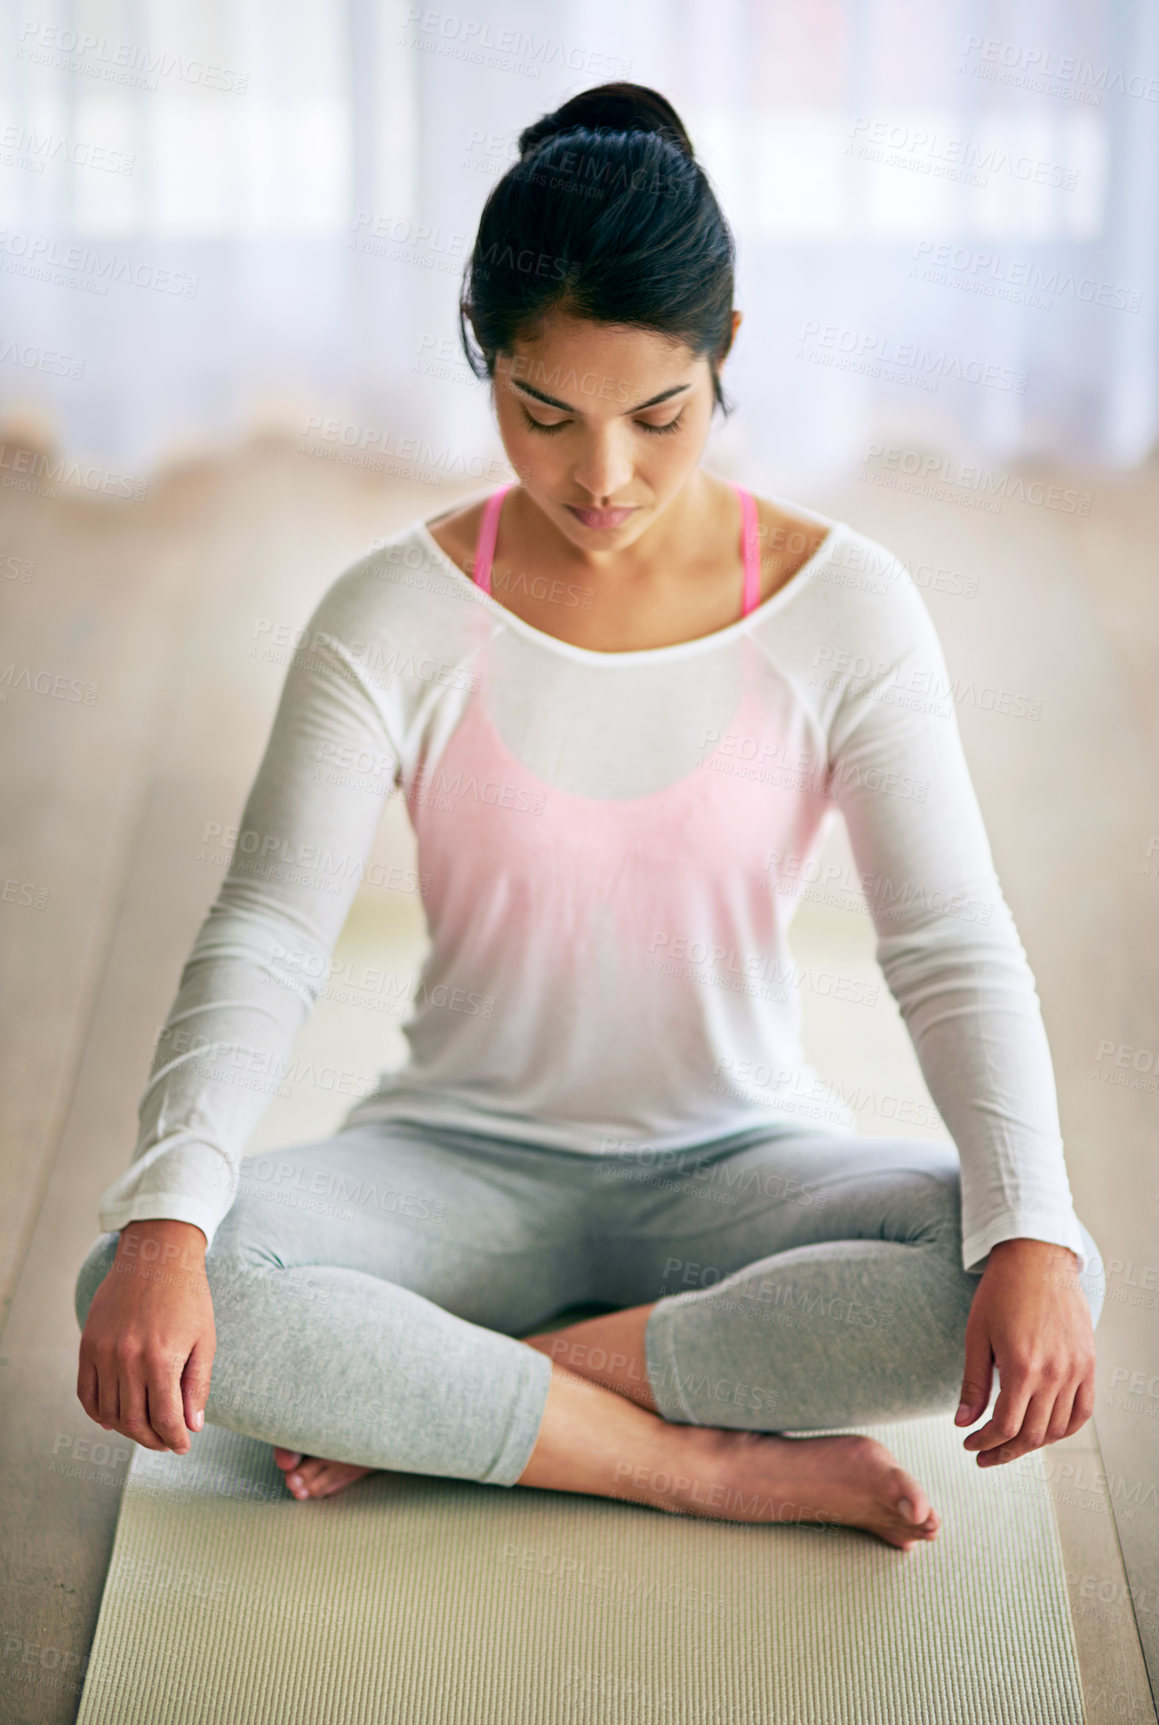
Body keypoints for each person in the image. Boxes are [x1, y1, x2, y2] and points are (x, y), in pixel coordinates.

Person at [74, 83, 1104, 1555]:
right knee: (146, 1268)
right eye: (542, 413)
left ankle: (498, 1399)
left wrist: (1030, 1232)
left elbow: (948, 943)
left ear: (727, 350)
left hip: (742, 1164)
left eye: (657, 413)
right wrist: (174, 1224)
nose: (600, 477)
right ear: (483, 357)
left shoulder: (848, 604)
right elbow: (268, 933)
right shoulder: (390, 611)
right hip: (453, 1162)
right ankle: (697, 1463)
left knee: (1038, 1261)